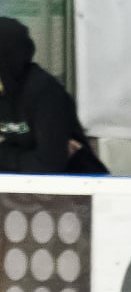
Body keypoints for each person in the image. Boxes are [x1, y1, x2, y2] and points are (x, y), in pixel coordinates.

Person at [0, 17, 103, 174]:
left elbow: (49, 166)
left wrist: (7, 155)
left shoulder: (45, 93)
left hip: (73, 191)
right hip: (16, 190)